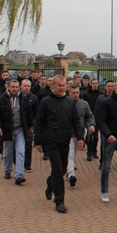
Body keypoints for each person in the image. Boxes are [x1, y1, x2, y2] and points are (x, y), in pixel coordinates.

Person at [34, 75, 85, 213]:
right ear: (53, 86)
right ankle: (59, 201)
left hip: (65, 140)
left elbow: (75, 121)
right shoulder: (45, 102)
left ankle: (50, 184)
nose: (62, 88)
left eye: (64, 86)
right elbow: (39, 122)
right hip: (51, 141)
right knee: (57, 169)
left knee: (62, 170)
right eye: (59, 86)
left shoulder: (69, 102)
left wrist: (80, 137)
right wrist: (37, 141)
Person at [0, 79, 33, 185]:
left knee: (20, 151)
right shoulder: (1, 99)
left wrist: (30, 127)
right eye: (13, 87)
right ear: (8, 87)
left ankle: (19, 175)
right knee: (7, 152)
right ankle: (7, 170)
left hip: (20, 129)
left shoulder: (23, 99)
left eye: (16, 87)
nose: (15, 89)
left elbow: (29, 114)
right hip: (7, 129)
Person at [66, 84, 95, 188]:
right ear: (68, 93)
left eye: (77, 92)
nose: (75, 95)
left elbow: (89, 116)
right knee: (70, 153)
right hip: (67, 134)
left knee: (73, 155)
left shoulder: (84, 104)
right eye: (73, 93)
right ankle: (71, 175)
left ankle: (68, 170)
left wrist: (91, 125)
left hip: (79, 134)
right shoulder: (65, 103)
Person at [20, 78, 38, 172]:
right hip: (19, 125)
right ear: (21, 87)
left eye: (28, 86)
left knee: (28, 145)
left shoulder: (34, 98)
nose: (27, 88)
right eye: (25, 86)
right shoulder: (17, 97)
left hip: (29, 125)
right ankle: (18, 163)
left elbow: (36, 113)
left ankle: (27, 165)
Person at [82, 78, 103, 160]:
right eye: (93, 83)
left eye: (96, 83)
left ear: (98, 84)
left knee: (96, 136)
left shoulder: (101, 94)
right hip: (89, 117)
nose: (95, 85)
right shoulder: (86, 94)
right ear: (90, 84)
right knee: (90, 134)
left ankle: (94, 151)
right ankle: (89, 153)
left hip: (97, 117)